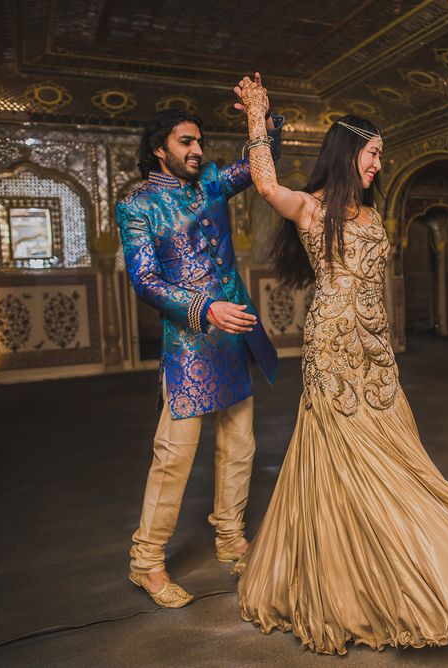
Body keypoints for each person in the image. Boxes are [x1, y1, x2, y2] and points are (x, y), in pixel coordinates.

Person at [232, 75, 448, 653]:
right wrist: (258, 115)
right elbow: (264, 182)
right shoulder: (310, 208)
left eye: (382, 154)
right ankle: (357, 581)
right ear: (348, 151)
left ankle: (414, 557)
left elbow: (374, 291)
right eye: (374, 153)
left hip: (374, 350)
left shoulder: (372, 218)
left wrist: (382, 343)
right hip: (331, 347)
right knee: (342, 453)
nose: (380, 163)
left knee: (396, 449)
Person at [115, 83, 283, 608]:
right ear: (159, 148)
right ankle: (146, 561)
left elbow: (259, 166)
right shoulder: (136, 204)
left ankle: (231, 540)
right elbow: (145, 281)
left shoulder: (211, 183)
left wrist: (262, 119)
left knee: (240, 447)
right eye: (186, 142)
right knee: (174, 457)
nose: (197, 151)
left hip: (234, 336)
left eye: (200, 142)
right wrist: (203, 308)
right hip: (189, 344)